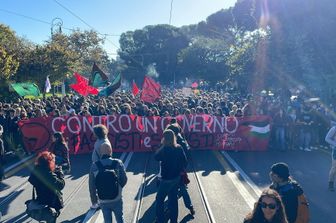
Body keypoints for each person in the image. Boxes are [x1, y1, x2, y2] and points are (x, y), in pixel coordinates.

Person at [155, 129, 187, 223]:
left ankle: (160, 219)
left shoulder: (164, 149)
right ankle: (174, 220)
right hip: (176, 178)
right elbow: (185, 162)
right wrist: (179, 170)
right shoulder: (179, 148)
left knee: (159, 199)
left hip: (165, 179)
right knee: (173, 200)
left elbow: (156, 157)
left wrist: (161, 145)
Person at [89, 143, 127, 223]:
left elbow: (92, 186)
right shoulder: (118, 163)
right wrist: (118, 187)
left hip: (103, 199)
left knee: (107, 220)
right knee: (120, 218)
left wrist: (94, 200)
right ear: (111, 151)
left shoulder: (94, 166)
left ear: (100, 152)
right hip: (117, 198)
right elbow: (124, 179)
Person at [166, 119, 195, 215]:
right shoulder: (182, 139)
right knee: (183, 189)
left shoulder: (173, 143)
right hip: (180, 170)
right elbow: (186, 158)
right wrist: (183, 168)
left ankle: (170, 208)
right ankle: (190, 207)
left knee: (169, 192)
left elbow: (160, 157)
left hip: (172, 173)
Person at [28, 151, 65, 223]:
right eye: (53, 161)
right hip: (51, 202)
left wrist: (53, 172)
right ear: (49, 162)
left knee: (45, 216)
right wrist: (60, 174)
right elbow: (61, 185)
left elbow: (32, 180)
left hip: (41, 199)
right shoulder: (49, 175)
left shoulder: (36, 171)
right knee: (52, 217)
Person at [90, 124, 112, 209]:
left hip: (98, 167)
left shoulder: (104, 143)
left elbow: (105, 160)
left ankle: (96, 203)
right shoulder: (101, 140)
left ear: (98, 133)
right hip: (97, 165)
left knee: (93, 185)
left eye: (94, 132)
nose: (93, 134)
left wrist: (97, 168)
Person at [325, 125, 336, 191]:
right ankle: (331, 183)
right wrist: (335, 144)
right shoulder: (334, 128)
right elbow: (327, 138)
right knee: (334, 168)